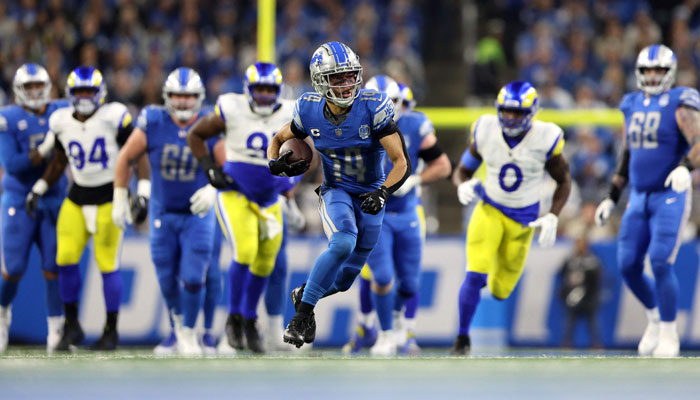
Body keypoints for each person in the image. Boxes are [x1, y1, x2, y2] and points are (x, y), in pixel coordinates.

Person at [267, 41, 410, 349]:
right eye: (338, 77)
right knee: (343, 241)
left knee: (345, 281)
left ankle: (304, 293)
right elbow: (279, 138)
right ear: (321, 80)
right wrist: (274, 161)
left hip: (372, 195)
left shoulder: (373, 105)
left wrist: (384, 191)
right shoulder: (308, 109)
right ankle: (301, 315)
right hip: (337, 190)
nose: (346, 84)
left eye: (350, 76)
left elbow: (401, 162)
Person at [25, 66, 146, 351]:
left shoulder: (114, 116)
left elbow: (138, 153)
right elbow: (58, 161)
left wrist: (141, 193)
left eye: (88, 91)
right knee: (64, 260)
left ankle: (110, 330)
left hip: (109, 197)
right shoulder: (60, 121)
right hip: (76, 197)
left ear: (99, 93)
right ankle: (72, 326)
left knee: (108, 265)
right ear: (70, 94)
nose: (83, 97)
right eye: (79, 91)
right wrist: (38, 189)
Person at [450, 80, 571, 355]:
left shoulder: (546, 137)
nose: (511, 117)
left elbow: (564, 180)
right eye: (506, 111)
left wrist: (553, 215)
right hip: (489, 210)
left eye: (518, 112)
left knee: (500, 290)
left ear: (532, 112)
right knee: (474, 275)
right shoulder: (486, 129)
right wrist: (463, 185)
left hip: (523, 223)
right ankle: (462, 339)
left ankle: (492, 278)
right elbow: (462, 170)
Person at [594, 44, 700, 358]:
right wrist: (611, 196)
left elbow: (699, 140)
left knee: (660, 260)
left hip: (670, 192)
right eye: (647, 71)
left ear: (669, 73)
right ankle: (654, 316)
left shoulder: (681, 101)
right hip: (639, 195)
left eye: (658, 71)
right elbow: (628, 152)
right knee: (627, 265)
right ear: (640, 73)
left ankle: (669, 330)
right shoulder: (630, 103)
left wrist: (685, 167)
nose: (652, 76)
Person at [188, 62, 293, 354]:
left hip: (270, 198)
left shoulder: (290, 112)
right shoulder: (231, 108)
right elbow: (196, 135)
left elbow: (305, 152)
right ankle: (234, 318)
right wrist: (210, 170)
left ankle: (249, 318)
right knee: (245, 251)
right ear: (247, 90)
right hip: (235, 193)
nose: (263, 95)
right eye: (258, 89)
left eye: (269, 89)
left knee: (265, 262)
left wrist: (291, 190)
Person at [113, 67, 220, 356]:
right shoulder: (154, 120)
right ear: (167, 97)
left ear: (199, 98)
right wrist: (121, 196)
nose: (183, 102)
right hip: (163, 211)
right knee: (165, 273)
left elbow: (228, 162)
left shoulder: (211, 121)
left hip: (197, 212)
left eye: (189, 97)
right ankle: (177, 328)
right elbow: (126, 158)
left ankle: (189, 332)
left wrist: (214, 188)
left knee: (194, 275)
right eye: (177, 96)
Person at [344, 76, 451, 356]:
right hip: (373, 214)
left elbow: (442, 165)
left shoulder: (414, 124)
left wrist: (417, 179)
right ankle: (385, 333)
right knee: (379, 277)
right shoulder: (350, 128)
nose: (383, 108)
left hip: (407, 213)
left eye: (389, 102)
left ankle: (397, 329)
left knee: (410, 282)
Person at [0, 63, 70, 354]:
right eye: (29, 88)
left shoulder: (62, 111)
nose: (35, 92)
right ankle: (2, 314)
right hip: (18, 199)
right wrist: (45, 149)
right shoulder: (8, 117)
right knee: (13, 268)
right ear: (18, 91)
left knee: (53, 267)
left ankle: (56, 330)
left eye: (38, 86)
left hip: (53, 198)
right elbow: (12, 165)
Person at [558, 237, 602, 348]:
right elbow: (561, 273)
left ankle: (596, 344)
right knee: (570, 321)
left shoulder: (592, 260)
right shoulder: (571, 259)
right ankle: (567, 343)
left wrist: (585, 278)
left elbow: (597, 277)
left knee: (592, 322)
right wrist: (569, 281)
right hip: (573, 296)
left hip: (588, 296)